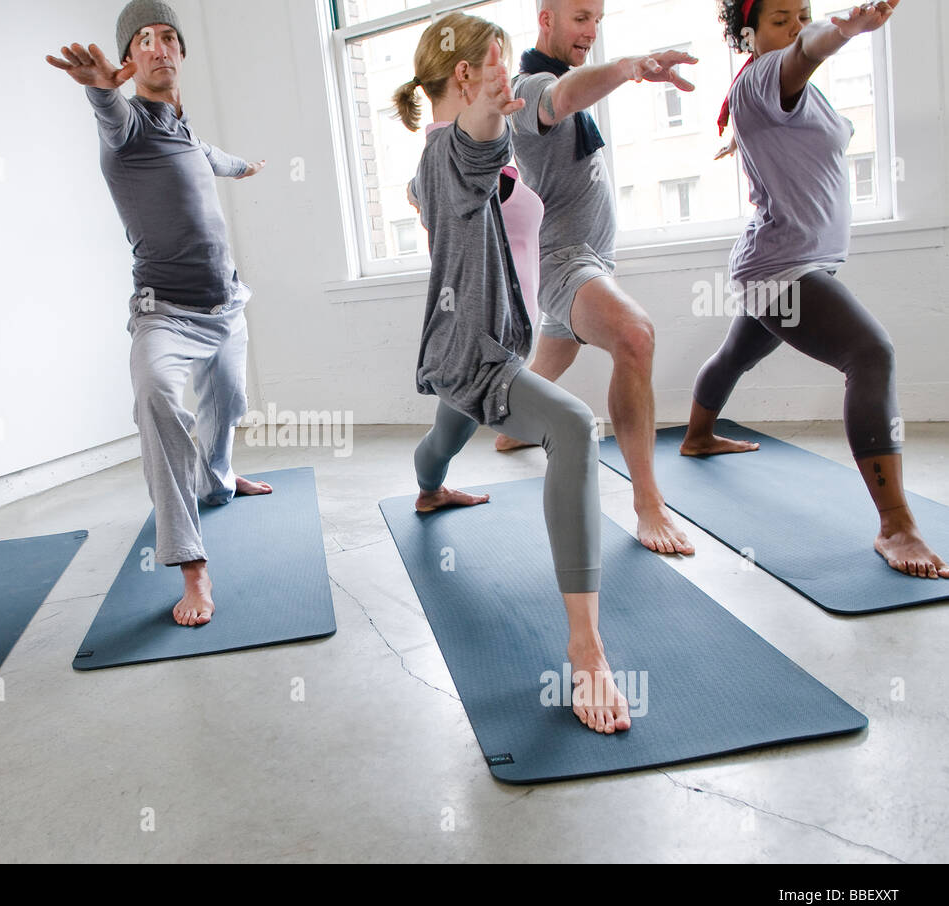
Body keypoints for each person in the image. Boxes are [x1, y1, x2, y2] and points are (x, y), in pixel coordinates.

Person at [395, 13, 630, 733]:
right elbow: (467, 151)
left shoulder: (440, 158)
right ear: (466, 78)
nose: (507, 80)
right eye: (492, 67)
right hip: (478, 352)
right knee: (571, 425)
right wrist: (490, 121)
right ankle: (586, 651)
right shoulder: (457, 148)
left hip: (478, 345)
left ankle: (429, 487)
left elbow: (452, 181)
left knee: (445, 434)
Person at [683, 0, 944, 579]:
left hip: (789, 263)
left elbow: (791, 111)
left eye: (804, 13)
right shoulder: (767, 74)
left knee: (735, 355)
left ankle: (698, 437)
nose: (796, 27)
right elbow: (805, 51)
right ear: (749, 36)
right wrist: (843, 30)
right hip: (782, 269)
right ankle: (896, 525)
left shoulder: (781, 90)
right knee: (870, 353)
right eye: (781, 19)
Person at [46, 1, 273, 627]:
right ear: (129, 59)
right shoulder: (128, 125)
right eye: (141, 40)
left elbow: (214, 156)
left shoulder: (186, 131)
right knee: (157, 401)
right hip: (164, 313)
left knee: (226, 404)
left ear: (179, 53)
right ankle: (192, 566)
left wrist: (246, 166)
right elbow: (110, 115)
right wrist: (99, 91)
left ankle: (221, 480)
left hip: (226, 303)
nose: (156, 47)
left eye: (167, 36)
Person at [499, 0, 699, 557]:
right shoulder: (531, 87)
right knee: (634, 335)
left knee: (549, 362)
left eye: (597, 19)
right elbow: (561, 99)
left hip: (584, 259)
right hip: (565, 261)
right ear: (546, 18)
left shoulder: (566, 78)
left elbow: (575, 91)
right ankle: (648, 503)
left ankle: (513, 423)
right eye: (581, 17)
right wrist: (631, 67)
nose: (592, 30)